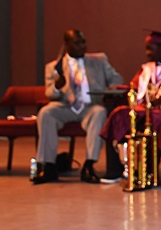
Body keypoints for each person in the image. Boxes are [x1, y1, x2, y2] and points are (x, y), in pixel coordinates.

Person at [32, 29, 123, 185]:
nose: (82, 46)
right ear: (67, 45)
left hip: (90, 106)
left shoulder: (99, 60)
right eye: (77, 43)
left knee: (100, 112)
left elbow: (117, 79)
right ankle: (48, 166)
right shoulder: (54, 67)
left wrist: (110, 89)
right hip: (66, 106)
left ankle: (89, 165)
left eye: (83, 42)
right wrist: (58, 85)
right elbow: (50, 94)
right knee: (46, 113)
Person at [99, 31, 161, 183]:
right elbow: (135, 88)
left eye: (150, 49)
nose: (147, 53)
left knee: (155, 121)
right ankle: (114, 170)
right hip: (143, 108)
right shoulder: (146, 68)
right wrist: (121, 89)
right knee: (118, 114)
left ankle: (148, 171)